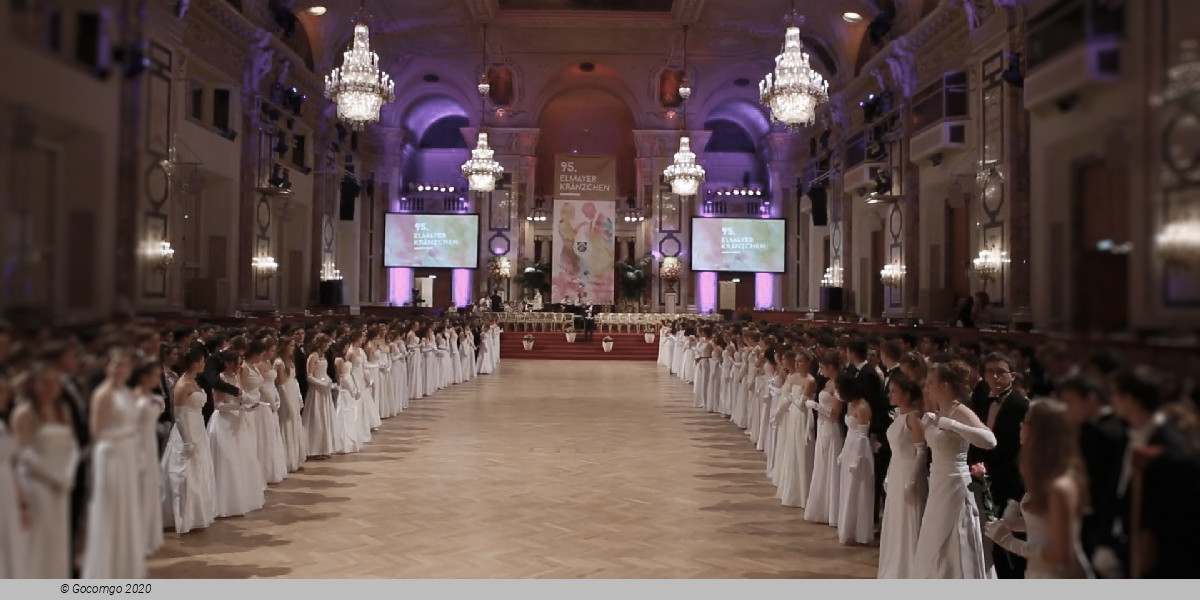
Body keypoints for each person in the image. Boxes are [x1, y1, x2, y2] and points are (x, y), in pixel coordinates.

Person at [984, 399, 1094, 578]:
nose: (1020, 424)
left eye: (1026, 420)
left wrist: (1010, 542)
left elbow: (1060, 553)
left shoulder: (1060, 484)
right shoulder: (1041, 474)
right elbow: (1045, 526)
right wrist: (1011, 525)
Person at [913, 360, 997, 579]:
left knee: (954, 534)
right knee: (934, 535)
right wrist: (930, 420)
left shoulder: (960, 411)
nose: (926, 386)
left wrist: (952, 425)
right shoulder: (941, 409)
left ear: (945, 385)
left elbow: (990, 441)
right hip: (938, 480)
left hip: (955, 481)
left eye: (931, 382)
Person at [970, 352, 1030, 578]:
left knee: (1010, 544)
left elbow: (1020, 451)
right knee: (989, 539)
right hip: (984, 479)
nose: (995, 376)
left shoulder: (1021, 405)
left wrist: (1016, 489)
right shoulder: (980, 402)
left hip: (1009, 481)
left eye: (1001, 372)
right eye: (990, 371)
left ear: (1012, 376)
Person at [1057, 376, 1126, 569]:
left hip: (1098, 521)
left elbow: (1098, 483)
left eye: (1070, 401)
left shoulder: (1100, 432)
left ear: (1092, 399)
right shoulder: (1108, 426)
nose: (1066, 408)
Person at [878, 375, 927, 578]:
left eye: (894, 391)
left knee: (908, 519)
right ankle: (895, 566)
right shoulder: (899, 415)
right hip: (897, 470)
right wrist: (889, 474)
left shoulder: (914, 417)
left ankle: (908, 571)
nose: (890, 394)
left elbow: (921, 451)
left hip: (909, 472)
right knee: (896, 520)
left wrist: (913, 481)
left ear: (906, 394)